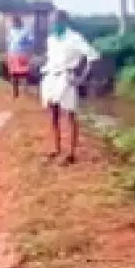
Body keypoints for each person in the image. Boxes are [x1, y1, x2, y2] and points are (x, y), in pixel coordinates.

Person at [40, 10, 100, 164]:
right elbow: (51, 58)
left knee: (70, 114)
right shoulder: (51, 39)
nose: (54, 24)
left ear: (64, 21)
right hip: (51, 77)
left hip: (67, 77)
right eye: (52, 21)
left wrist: (82, 78)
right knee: (53, 112)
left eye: (57, 21)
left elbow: (92, 56)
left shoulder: (74, 38)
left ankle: (71, 153)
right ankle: (57, 148)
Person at [6, 15, 34, 98]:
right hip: (12, 55)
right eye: (13, 22)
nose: (14, 23)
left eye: (15, 22)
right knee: (14, 75)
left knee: (24, 74)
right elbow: (9, 42)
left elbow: (31, 42)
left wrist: (29, 53)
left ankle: (26, 92)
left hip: (22, 55)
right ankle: (15, 93)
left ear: (19, 22)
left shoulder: (26, 31)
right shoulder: (11, 31)